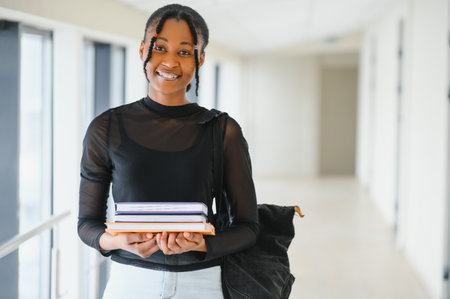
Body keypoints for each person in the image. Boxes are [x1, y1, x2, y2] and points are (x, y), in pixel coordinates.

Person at [77, 4, 259, 299]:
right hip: (129, 283)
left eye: (184, 52)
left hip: (202, 283)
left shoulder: (222, 130)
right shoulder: (106, 128)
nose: (170, 62)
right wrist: (116, 241)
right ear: (141, 50)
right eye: (159, 48)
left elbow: (249, 227)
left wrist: (201, 245)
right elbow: (87, 224)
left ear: (199, 59)